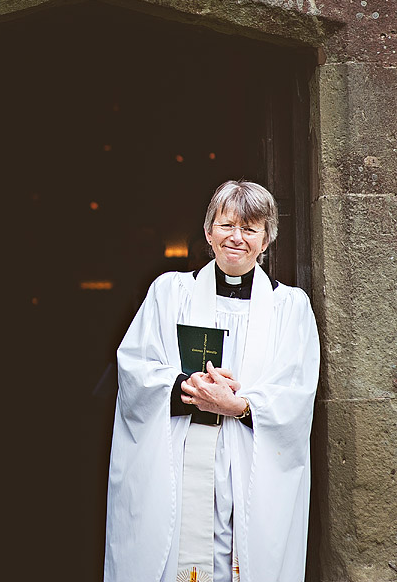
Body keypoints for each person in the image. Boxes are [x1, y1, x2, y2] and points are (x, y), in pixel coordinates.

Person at [104, 180, 320, 582]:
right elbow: (135, 367)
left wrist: (238, 405)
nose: (236, 237)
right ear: (208, 232)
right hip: (179, 460)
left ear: (267, 240)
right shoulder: (170, 293)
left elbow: (297, 390)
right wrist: (189, 389)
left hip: (250, 464)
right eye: (226, 225)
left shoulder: (290, 308)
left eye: (250, 228)